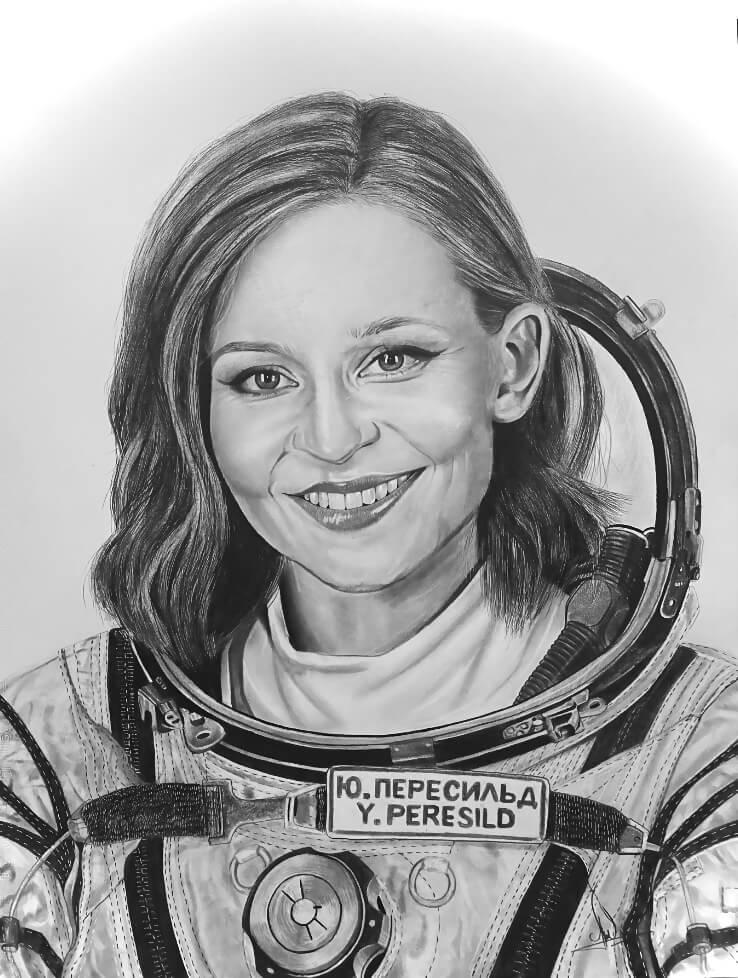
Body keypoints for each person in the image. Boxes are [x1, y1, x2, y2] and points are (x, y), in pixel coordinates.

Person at [0, 92, 736, 978]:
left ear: (513, 366)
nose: (332, 439)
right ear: (197, 411)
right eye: (262, 377)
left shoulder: (695, 762)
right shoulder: (56, 757)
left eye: (393, 359)